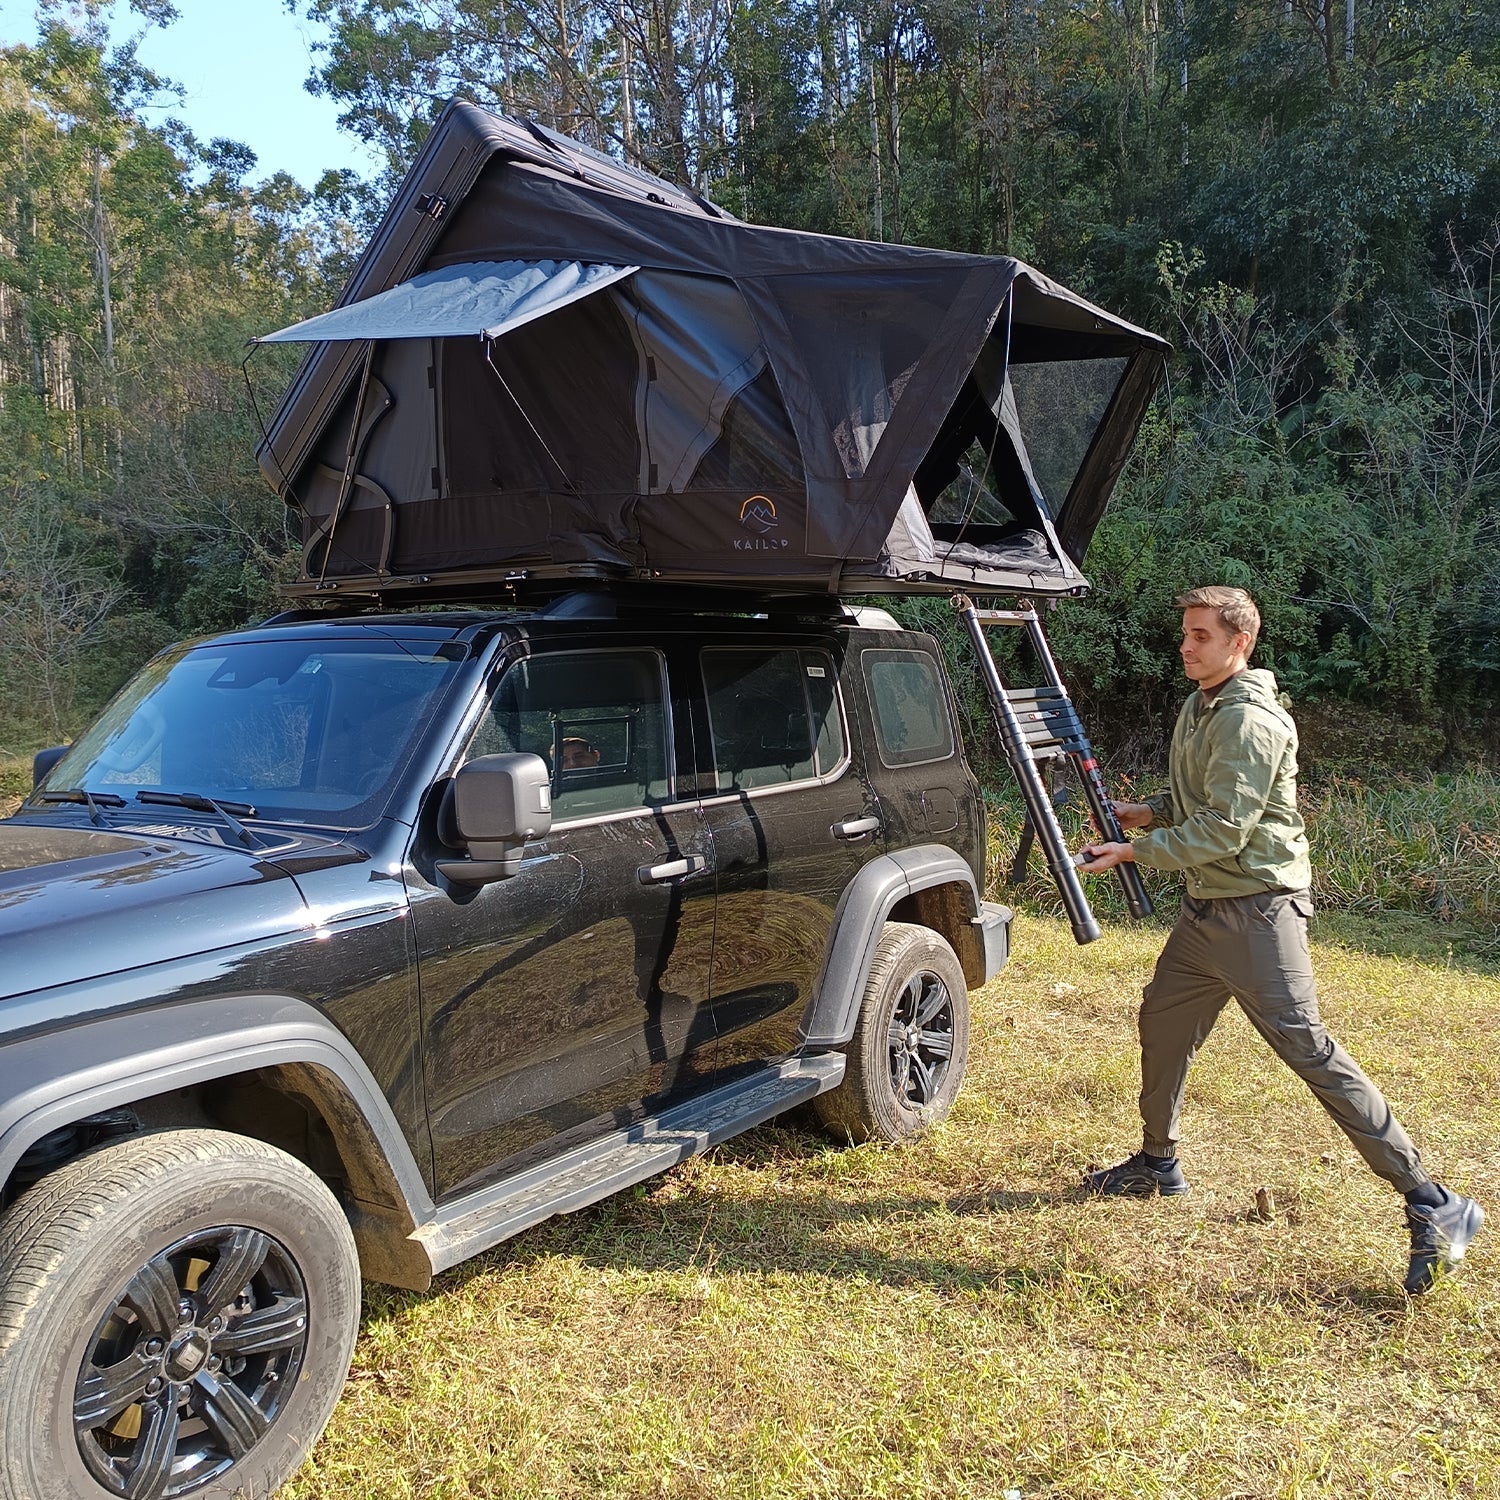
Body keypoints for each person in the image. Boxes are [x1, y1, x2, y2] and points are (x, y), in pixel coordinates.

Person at [1076, 585, 1483, 1295]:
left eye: (1201, 635)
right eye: (1185, 632)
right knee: (1163, 1021)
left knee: (1311, 1053)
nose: (1185, 645)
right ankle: (1157, 1163)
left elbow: (1226, 831)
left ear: (1240, 643)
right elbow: (1198, 801)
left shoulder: (1251, 721)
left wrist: (1136, 852)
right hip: (1206, 915)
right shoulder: (1201, 706)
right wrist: (1141, 812)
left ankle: (1435, 1203)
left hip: (1260, 916)